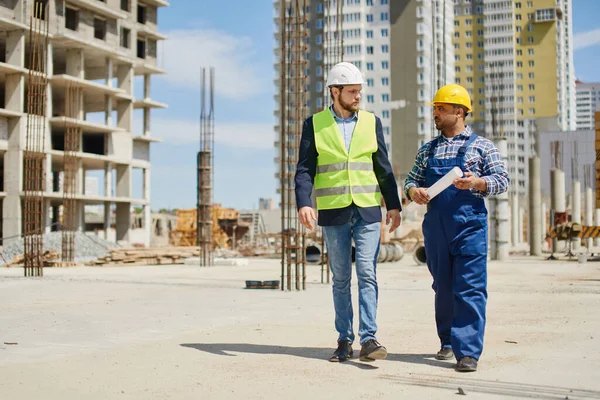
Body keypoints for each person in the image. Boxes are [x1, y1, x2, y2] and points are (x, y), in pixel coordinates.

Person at [295, 62, 402, 363]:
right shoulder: (314, 125)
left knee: (367, 272)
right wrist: (304, 202)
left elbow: (382, 166)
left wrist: (393, 204)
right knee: (341, 278)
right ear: (335, 91)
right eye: (352, 92)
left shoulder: (371, 122)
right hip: (333, 211)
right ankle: (344, 339)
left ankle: (369, 338)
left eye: (359, 91)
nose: (358, 97)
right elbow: (305, 169)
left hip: (367, 209)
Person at [404, 84, 509, 372]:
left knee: (470, 287)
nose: (435, 114)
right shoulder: (428, 150)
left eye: (441, 108)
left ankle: (468, 352)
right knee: (443, 287)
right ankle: (448, 341)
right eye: (435, 109)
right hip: (437, 227)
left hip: (470, 226)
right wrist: (415, 192)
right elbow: (409, 182)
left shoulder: (483, 147)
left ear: (459, 112)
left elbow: (503, 180)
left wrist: (477, 183)